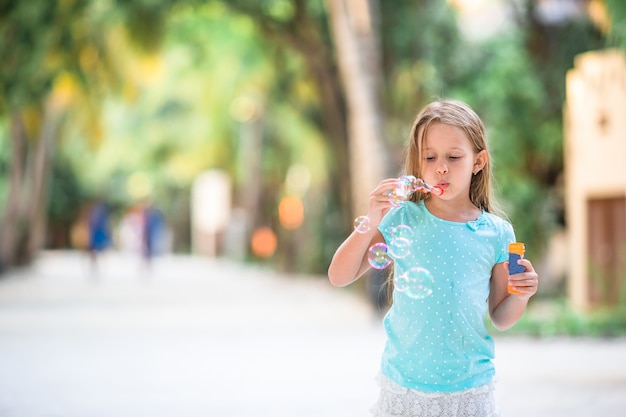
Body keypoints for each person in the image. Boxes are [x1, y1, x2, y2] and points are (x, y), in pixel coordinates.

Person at [327, 99, 539, 416]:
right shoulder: (402, 217)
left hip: (469, 391)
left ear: (478, 161)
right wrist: (370, 220)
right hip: (405, 387)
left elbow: (500, 316)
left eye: (454, 157)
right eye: (430, 157)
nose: (441, 167)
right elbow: (338, 275)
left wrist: (521, 295)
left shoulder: (497, 234)